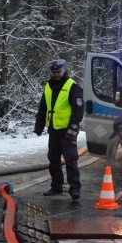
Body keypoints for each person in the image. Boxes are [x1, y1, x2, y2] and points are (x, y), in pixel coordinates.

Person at [34, 59, 84, 200]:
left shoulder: (72, 87)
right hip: (54, 130)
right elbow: (43, 108)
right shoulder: (48, 87)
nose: (56, 75)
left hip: (67, 131)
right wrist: (39, 126)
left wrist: (73, 128)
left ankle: (74, 189)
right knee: (53, 159)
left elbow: (78, 110)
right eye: (54, 72)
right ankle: (56, 186)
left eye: (59, 72)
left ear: (64, 70)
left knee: (70, 159)